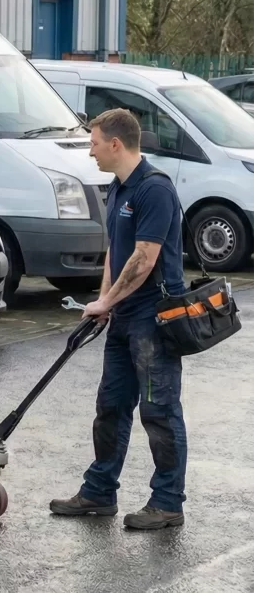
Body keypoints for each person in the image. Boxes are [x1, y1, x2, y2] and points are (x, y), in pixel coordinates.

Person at [49, 108, 189, 530]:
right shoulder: (118, 190)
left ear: (115, 144)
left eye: (93, 143)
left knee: (159, 411)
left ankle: (167, 503)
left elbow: (145, 259)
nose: (89, 151)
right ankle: (99, 492)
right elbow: (119, 251)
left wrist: (109, 298)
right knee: (110, 406)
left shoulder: (154, 190)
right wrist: (104, 301)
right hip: (124, 314)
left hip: (155, 317)